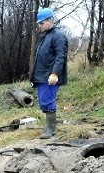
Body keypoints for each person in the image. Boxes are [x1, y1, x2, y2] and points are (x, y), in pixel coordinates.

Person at [29, 8, 68, 139]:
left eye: (41, 23)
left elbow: (60, 56)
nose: (39, 26)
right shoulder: (46, 36)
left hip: (50, 76)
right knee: (43, 102)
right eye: (38, 24)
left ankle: (51, 130)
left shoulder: (58, 36)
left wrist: (55, 73)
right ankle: (48, 127)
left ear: (50, 20)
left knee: (47, 101)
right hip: (41, 76)